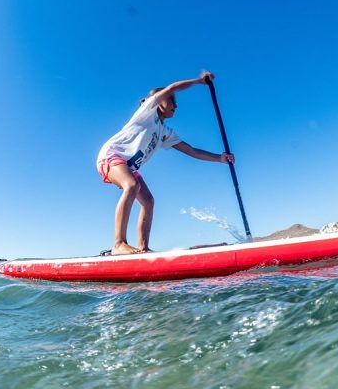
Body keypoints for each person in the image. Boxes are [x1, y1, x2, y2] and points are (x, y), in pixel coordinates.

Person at [97, 71, 235, 255]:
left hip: (128, 166)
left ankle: (143, 249)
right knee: (131, 184)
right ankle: (119, 244)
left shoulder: (165, 132)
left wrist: (219, 158)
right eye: (171, 101)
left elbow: (192, 151)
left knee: (148, 201)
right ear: (158, 100)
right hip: (111, 155)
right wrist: (198, 81)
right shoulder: (147, 112)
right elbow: (171, 88)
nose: (175, 105)